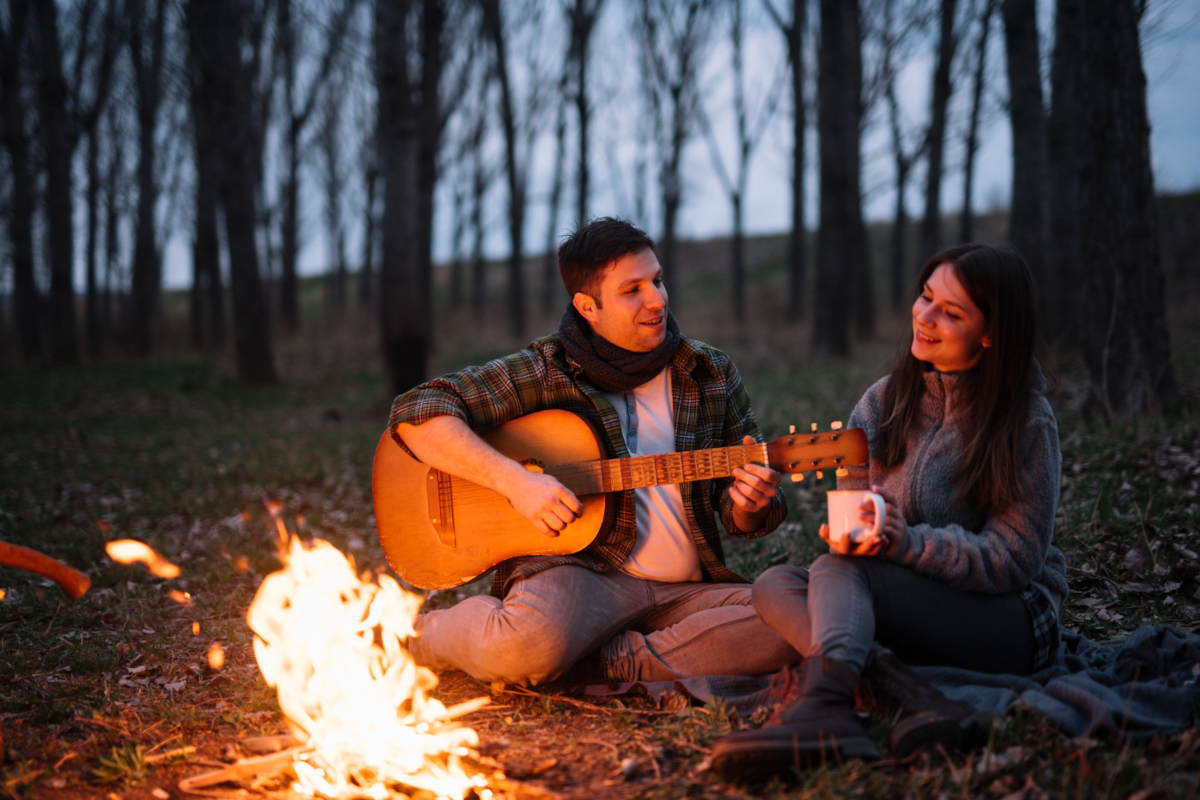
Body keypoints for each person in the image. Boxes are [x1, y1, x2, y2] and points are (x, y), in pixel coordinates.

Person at [389, 217, 799, 687]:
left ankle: (607, 661)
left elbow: (744, 517)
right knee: (525, 644)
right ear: (587, 306)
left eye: (658, 280)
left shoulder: (708, 370)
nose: (657, 300)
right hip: (582, 573)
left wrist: (750, 503)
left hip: (686, 590)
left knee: (795, 616)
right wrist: (516, 482)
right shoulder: (547, 370)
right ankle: (421, 635)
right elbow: (416, 410)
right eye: (632, 290)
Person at [712, 243, 1068, 778]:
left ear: (991, 332)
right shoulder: (881, 403)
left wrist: (908, 544)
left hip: (1009, 621)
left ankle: (826, 706)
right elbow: (856, 531)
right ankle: (912, 694)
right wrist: (855, 534)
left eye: (952, 312)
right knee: (776, 583)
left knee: (830, 577)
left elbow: (1015, 559)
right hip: (909, 606)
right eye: (926, 297)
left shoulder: (1026, 421)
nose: (925, 317)